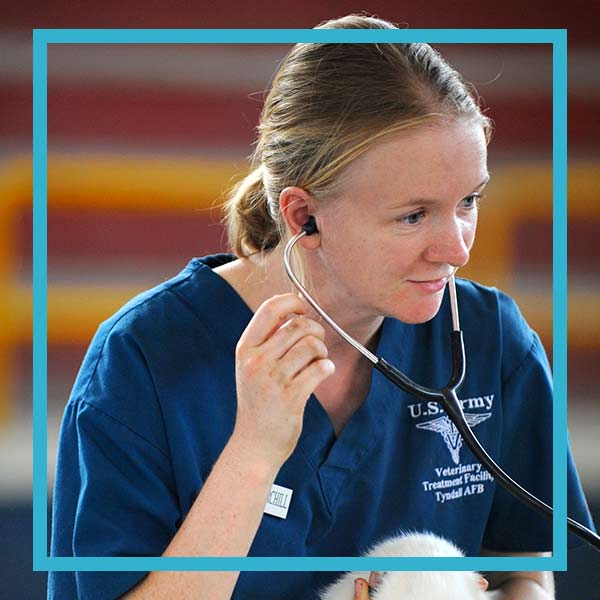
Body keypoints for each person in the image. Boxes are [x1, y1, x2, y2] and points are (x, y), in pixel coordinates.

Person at [48, 14, 595, 600]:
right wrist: (254, 452)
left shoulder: (492, 340)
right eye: (413, 216)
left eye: (469, 201)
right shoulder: (142, 362)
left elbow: (523, 568)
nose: (457, 248)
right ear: (302, 215)